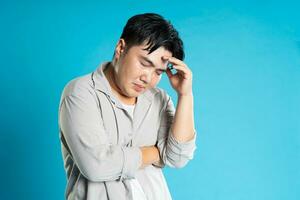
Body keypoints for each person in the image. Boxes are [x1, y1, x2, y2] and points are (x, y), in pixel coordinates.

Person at [58, 13, 197, 200]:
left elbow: (177, 157)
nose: (147, 78)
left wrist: (185, 94)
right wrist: (158, 152)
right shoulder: (81, 93)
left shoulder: (159, 99)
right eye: (144, 63)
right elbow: (96, 165)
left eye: (158, 72)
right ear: (121, 47)